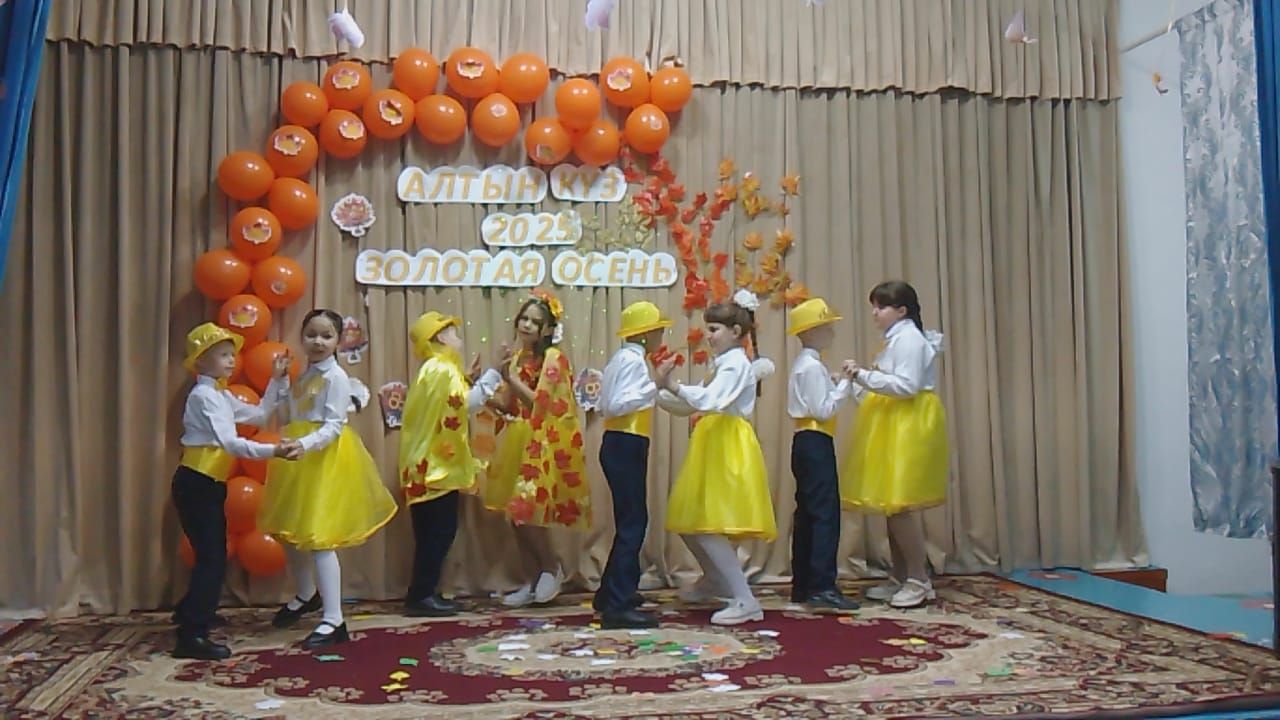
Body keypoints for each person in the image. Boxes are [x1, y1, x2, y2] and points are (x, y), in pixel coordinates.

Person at [258, 309, 398, 648]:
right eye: (311, 335)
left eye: (326, 336)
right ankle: (307, 593)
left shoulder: (336, 377)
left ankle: (334, 620)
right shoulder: (304, 375)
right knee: (291, 533)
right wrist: (280, 380)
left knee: (320, 540)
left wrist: (305, 444)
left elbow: (334, 426)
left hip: (323, 460)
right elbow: (288, 412)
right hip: (298, 459)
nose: (318, 342)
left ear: (338, 341)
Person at [171, 322, 299, 660]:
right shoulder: (204, 396)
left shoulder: (219, 395)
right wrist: (274, 451)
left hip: (208, 482)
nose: (231, 360)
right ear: (201, 361)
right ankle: (192, 634)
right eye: (222, 355)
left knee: (211, 554)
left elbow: (259, 415)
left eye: (232, 354)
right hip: (197, 482)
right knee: (212, 557)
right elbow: (230, 442)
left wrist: (277, 380)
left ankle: (190, 611)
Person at [655, 289, 776, 625]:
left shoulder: (736, 363)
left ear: (736, 332)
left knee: (709, 525)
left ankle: (745, 599)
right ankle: (715, 579)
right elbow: (694, 403)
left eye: (714, 329)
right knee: (691, 523)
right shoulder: (723, 363)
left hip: (727, 444)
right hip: (713, 440)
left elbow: (713, 399)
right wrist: (661, 390)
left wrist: (673, 386)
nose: (708, 336)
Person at [840, 281, 948, 609]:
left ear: (902, 310)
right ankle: (902, 576)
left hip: (907, 424)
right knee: (891, 504)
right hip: (893, 422)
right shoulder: (896, 339)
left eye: (882, 307)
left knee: (899, 506)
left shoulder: (910, 339)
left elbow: (906, 386)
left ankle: (918, 578)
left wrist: (863, 376)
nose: (875, 313)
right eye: (874, 306)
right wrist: (856, 382)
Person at [482, 290, 590, 607]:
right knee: (515, 517)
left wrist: (510, 378)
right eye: (524, 318)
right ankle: (531, 581)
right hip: (517, 439)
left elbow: (542, 404)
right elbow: (507, 404)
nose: (526, 325)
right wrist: (479, 386)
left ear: (547, 329)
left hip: (541, 441)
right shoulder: (517, 359)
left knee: (526, 513)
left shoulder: (554, 358)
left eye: (534, 321)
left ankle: (551, 568)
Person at [399, 311, 503, 617]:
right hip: (435, 468)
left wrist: (468, 379)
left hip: (423, 464)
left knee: (430, 533)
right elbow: (464, 406)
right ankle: (421, 595)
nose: (458, 337)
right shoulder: (442, 369)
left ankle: (423, 592)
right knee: (439, 532)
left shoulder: (433, 369)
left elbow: (448, 404)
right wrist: (494, 373)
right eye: (452, 332)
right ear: (440, 337)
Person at [592, 301, 672, 629]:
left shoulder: (621, 359)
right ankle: (618, 605)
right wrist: (657, 384)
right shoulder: (632, 362)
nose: (662, 334)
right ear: (646, 332)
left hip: (621, 443)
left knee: (630, 520)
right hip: (626, 443)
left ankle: (610, 592)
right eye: (658, 329)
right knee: (634, 523)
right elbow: (615, 405)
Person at [786, 298, 860, 611]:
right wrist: (845, 384)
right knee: (824, 514)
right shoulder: (812, 366)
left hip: (803, 441)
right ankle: (822, 586)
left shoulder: (804, 365)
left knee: (807, 513)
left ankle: (803, 584)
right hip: (816, 440)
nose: (831, 331)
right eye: (826, 326)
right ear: (811, 331)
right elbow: (824, 409)